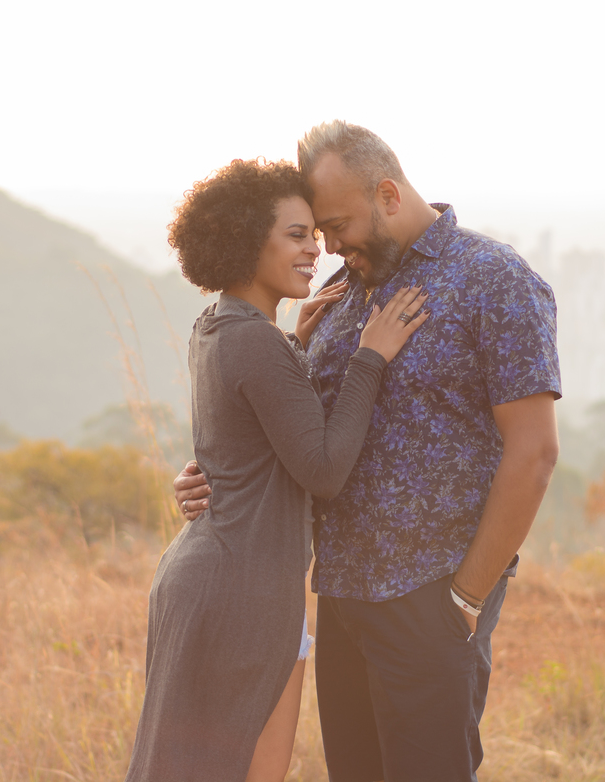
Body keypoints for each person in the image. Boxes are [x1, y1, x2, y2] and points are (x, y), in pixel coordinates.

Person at [174, 122, 562, 782]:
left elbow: (535, 454)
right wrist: (218, 474)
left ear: (387, 194)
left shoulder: (493, 279)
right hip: (340, 594)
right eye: (316, 232)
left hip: (432, 597)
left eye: (336, 225)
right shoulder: (344, 290)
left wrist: (466, 599)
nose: (328, 246)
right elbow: (302, 429)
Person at [123, 157, 429, 782]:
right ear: (245, 242)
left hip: (219, 576)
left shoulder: (215, 326)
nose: (315, 250)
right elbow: (324, 470)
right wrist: (369, 357)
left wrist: (295, 348)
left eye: (314, 235)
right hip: (242, 589)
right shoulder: (256, 341)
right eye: (296, 235)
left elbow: (245, 433)